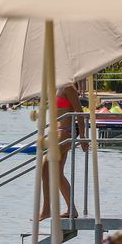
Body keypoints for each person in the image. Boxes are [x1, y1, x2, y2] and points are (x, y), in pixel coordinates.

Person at [41, 82, 82, 220]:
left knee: (45, 165)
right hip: (56, 133)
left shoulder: (68, 88)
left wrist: (83, 138)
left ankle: (46, 209)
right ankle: (72, 210)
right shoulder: (55, 87)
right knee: (57, 174)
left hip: (66, 132)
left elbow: (80, 112)